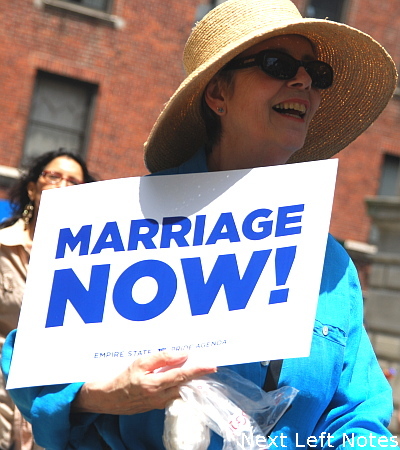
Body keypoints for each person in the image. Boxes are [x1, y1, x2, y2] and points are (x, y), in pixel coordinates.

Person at [2, 0, 399, 448]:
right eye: (278, 64)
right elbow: (29, 363)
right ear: (218, 95)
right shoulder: (121, 220)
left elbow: (358, 419)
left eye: (316, 73)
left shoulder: (332, 266)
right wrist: (101, 395)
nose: (303, 81)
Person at [0, 149, 95, 450]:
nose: (62, 185)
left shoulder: (94, 260)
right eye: (53, 176)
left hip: (49, 404)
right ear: (32, 188)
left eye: (73, 182)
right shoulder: (2, 247)